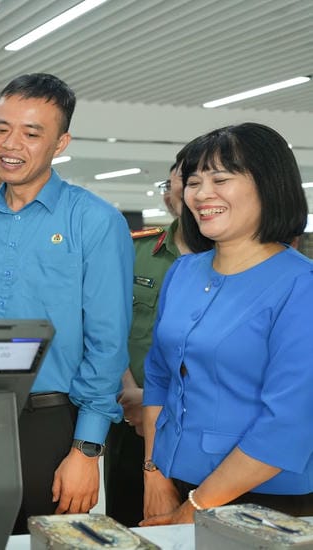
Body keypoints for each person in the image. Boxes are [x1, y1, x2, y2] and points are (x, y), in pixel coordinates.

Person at [0, 73, 133, 534]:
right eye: (1, 128)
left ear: (61, 142)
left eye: (31, 132)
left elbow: (107, 342)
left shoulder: (95, 222)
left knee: (50, 543)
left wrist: (87, 448)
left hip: (54, 422)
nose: (10, 143)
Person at [141, 122, 313, 525]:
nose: (202, 194)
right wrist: (154, 473)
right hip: (173, 482)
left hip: (267, 501)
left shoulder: (300, 286)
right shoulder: (183, 272)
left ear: (269, 186)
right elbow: (159, 378)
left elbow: (288, 423)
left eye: (221, 179)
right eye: (194, 181)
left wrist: (194, 509)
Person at [105, 158, 190, 527]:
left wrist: (158, 402)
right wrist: (130, 394)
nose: (194, 192)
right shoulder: (136, 251)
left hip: (194, 423)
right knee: (129, 520)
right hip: (130, 418)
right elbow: (107, 326)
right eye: (181, 183)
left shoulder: (234, 263)